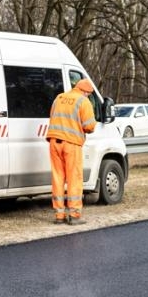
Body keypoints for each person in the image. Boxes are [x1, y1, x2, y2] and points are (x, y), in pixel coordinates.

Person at [46, 76, 97, 224]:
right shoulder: (83, 101)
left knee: (58, 178)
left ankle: (59, 215)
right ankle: (74, 215)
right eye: (89, 94)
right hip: (71, 144)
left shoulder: (59, 97)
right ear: (86, 92)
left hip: (54, 142)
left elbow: (53, 117)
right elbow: (90, 126)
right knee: (74, 178)